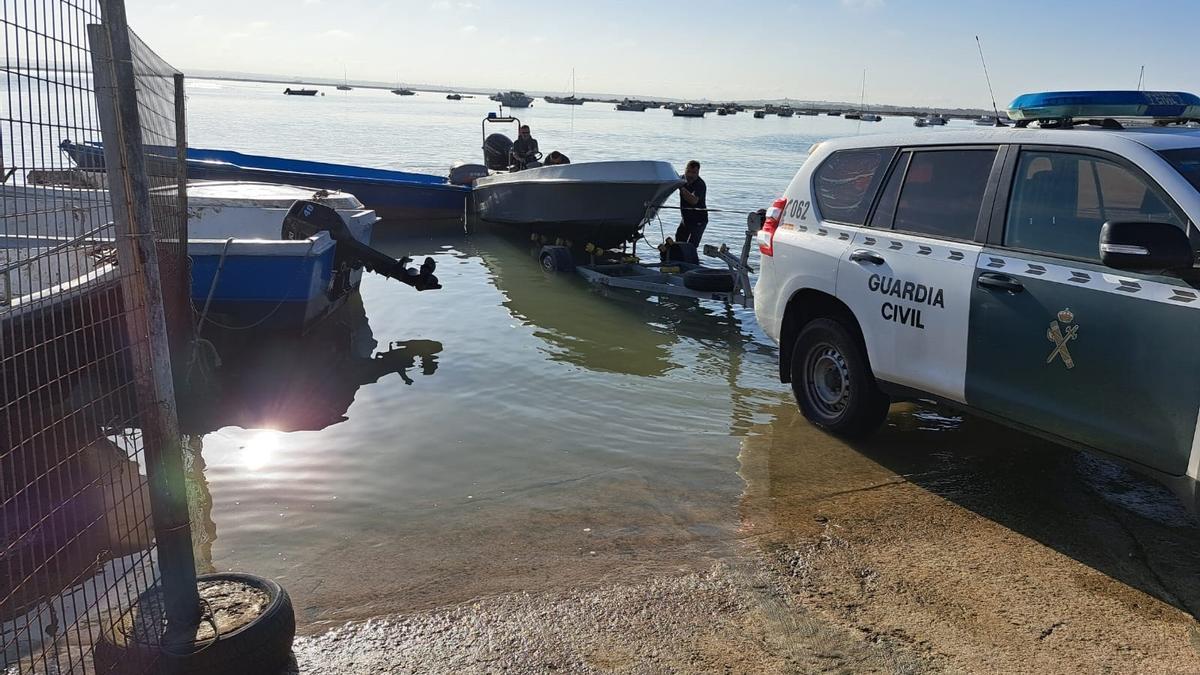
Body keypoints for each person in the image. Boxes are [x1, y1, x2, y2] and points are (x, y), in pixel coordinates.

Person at [676, 160, 708, 245]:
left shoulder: (700, 184)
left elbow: (693, 201)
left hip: (699, 221)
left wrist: (681, 188)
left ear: (698, 173)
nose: (690, 175)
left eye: (694, 172)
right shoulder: (681, 179)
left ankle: (690, 257)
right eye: (688, 171)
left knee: (691, 245)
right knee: (678, 243)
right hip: (686, 219)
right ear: (685, 170)